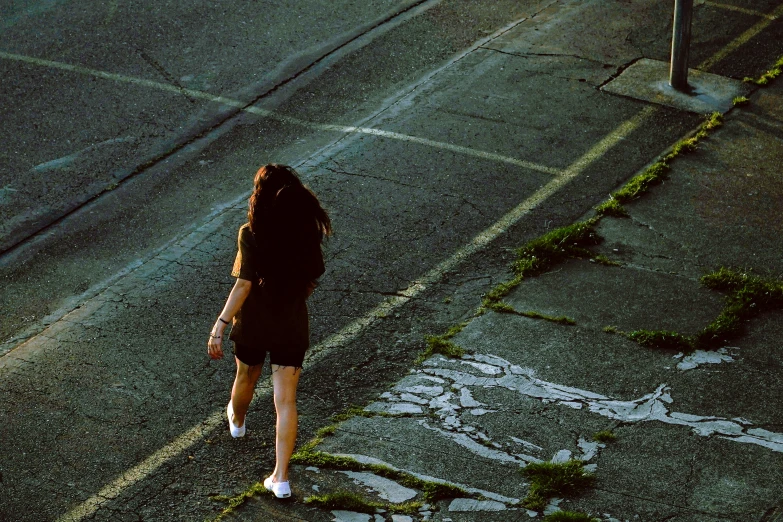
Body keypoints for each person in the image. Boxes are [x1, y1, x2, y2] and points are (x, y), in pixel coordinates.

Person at [207, 163, 332, 499]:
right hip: (291, 326)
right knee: (286, 401)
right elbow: (312, 279)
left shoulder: (251, 232)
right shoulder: (306, 232)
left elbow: (243, 284)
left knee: (245, 377)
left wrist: (219, 325)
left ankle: (238, 422)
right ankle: (281, 478)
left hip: (253, 324)